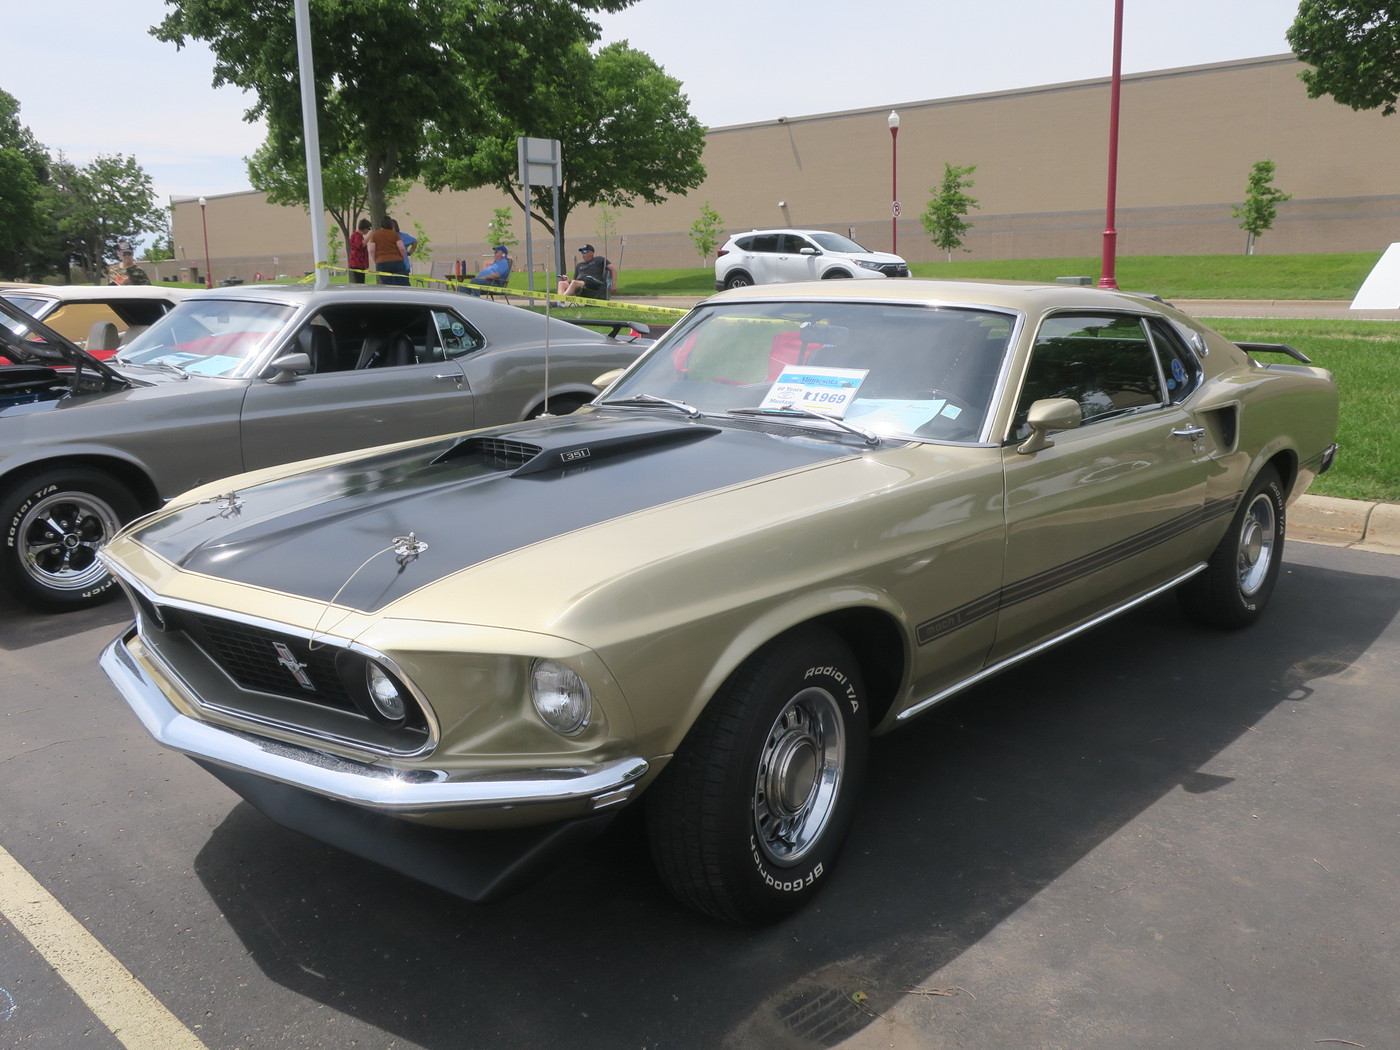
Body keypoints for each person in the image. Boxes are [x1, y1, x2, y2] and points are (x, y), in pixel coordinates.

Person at [367, 217, 409, 285]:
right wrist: (402, 257)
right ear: (391, 225)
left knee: (387, 284)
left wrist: (376, 260)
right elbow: (402, 248)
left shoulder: (375, 235)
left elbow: (372, 250)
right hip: (397, 262)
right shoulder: (394, 234)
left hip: (382, 262)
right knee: (402, 283)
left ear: (381, 225)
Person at [348, 218, 371, 283]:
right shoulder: (357, 235)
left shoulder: (358, 236)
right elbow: (360, 245)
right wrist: (369, 237)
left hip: (359, 263)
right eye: (368, 229)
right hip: (357, 263)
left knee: (361, 281)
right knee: (360, 281)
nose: (368, 231)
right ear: (365, 228)